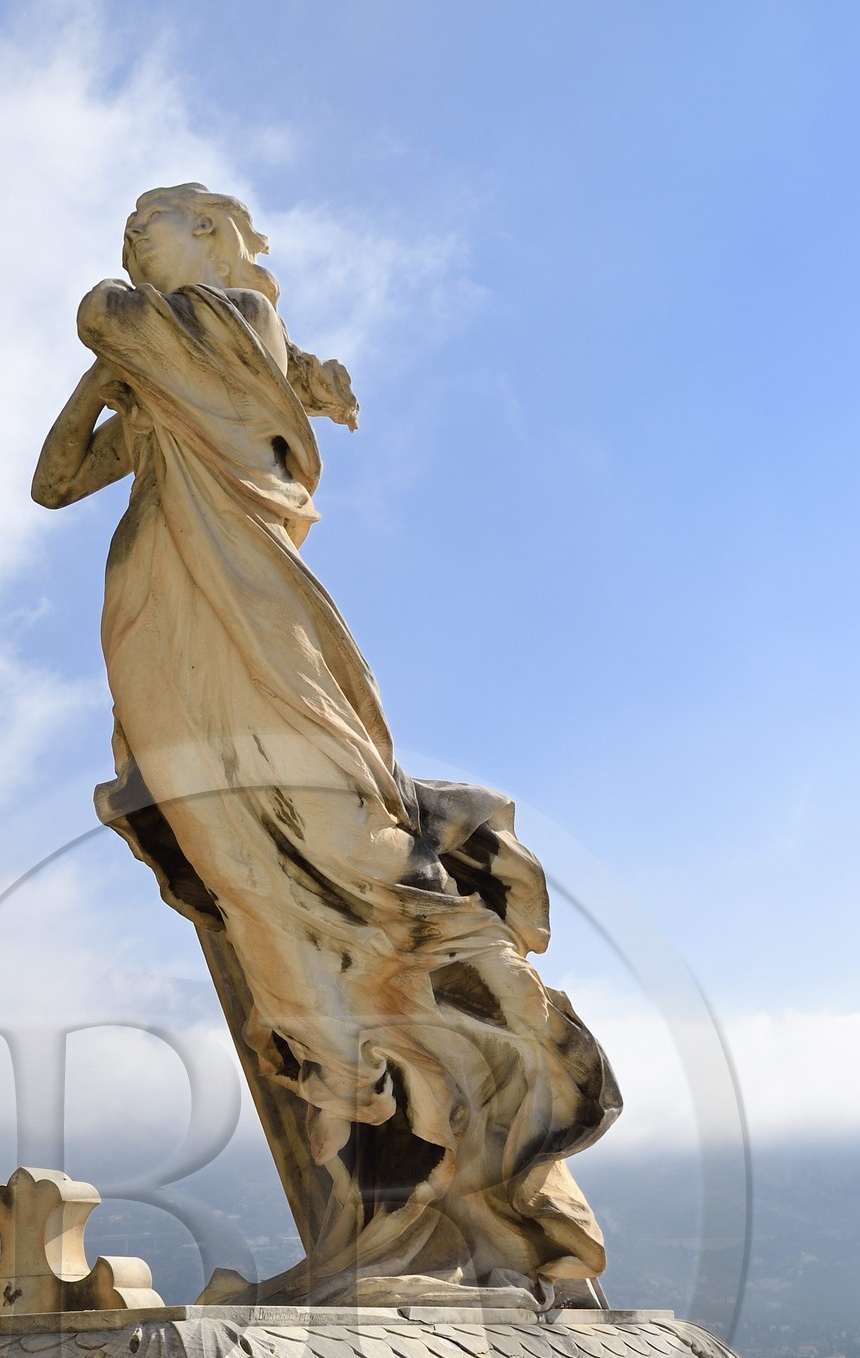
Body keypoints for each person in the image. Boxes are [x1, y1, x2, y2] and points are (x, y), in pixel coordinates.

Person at [33, 184, 619, 1300]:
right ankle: (392, 1205)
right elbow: (56, 480)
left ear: (211, 239)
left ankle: (496, 1150)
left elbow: (104, 313)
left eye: (149, 220)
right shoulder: (184, 359)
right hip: (161, 622)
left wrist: (172, 358)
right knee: (254, 896)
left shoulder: (226, 322)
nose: (125, 238)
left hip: (252, 619)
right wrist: (128, 384)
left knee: (356, 863)